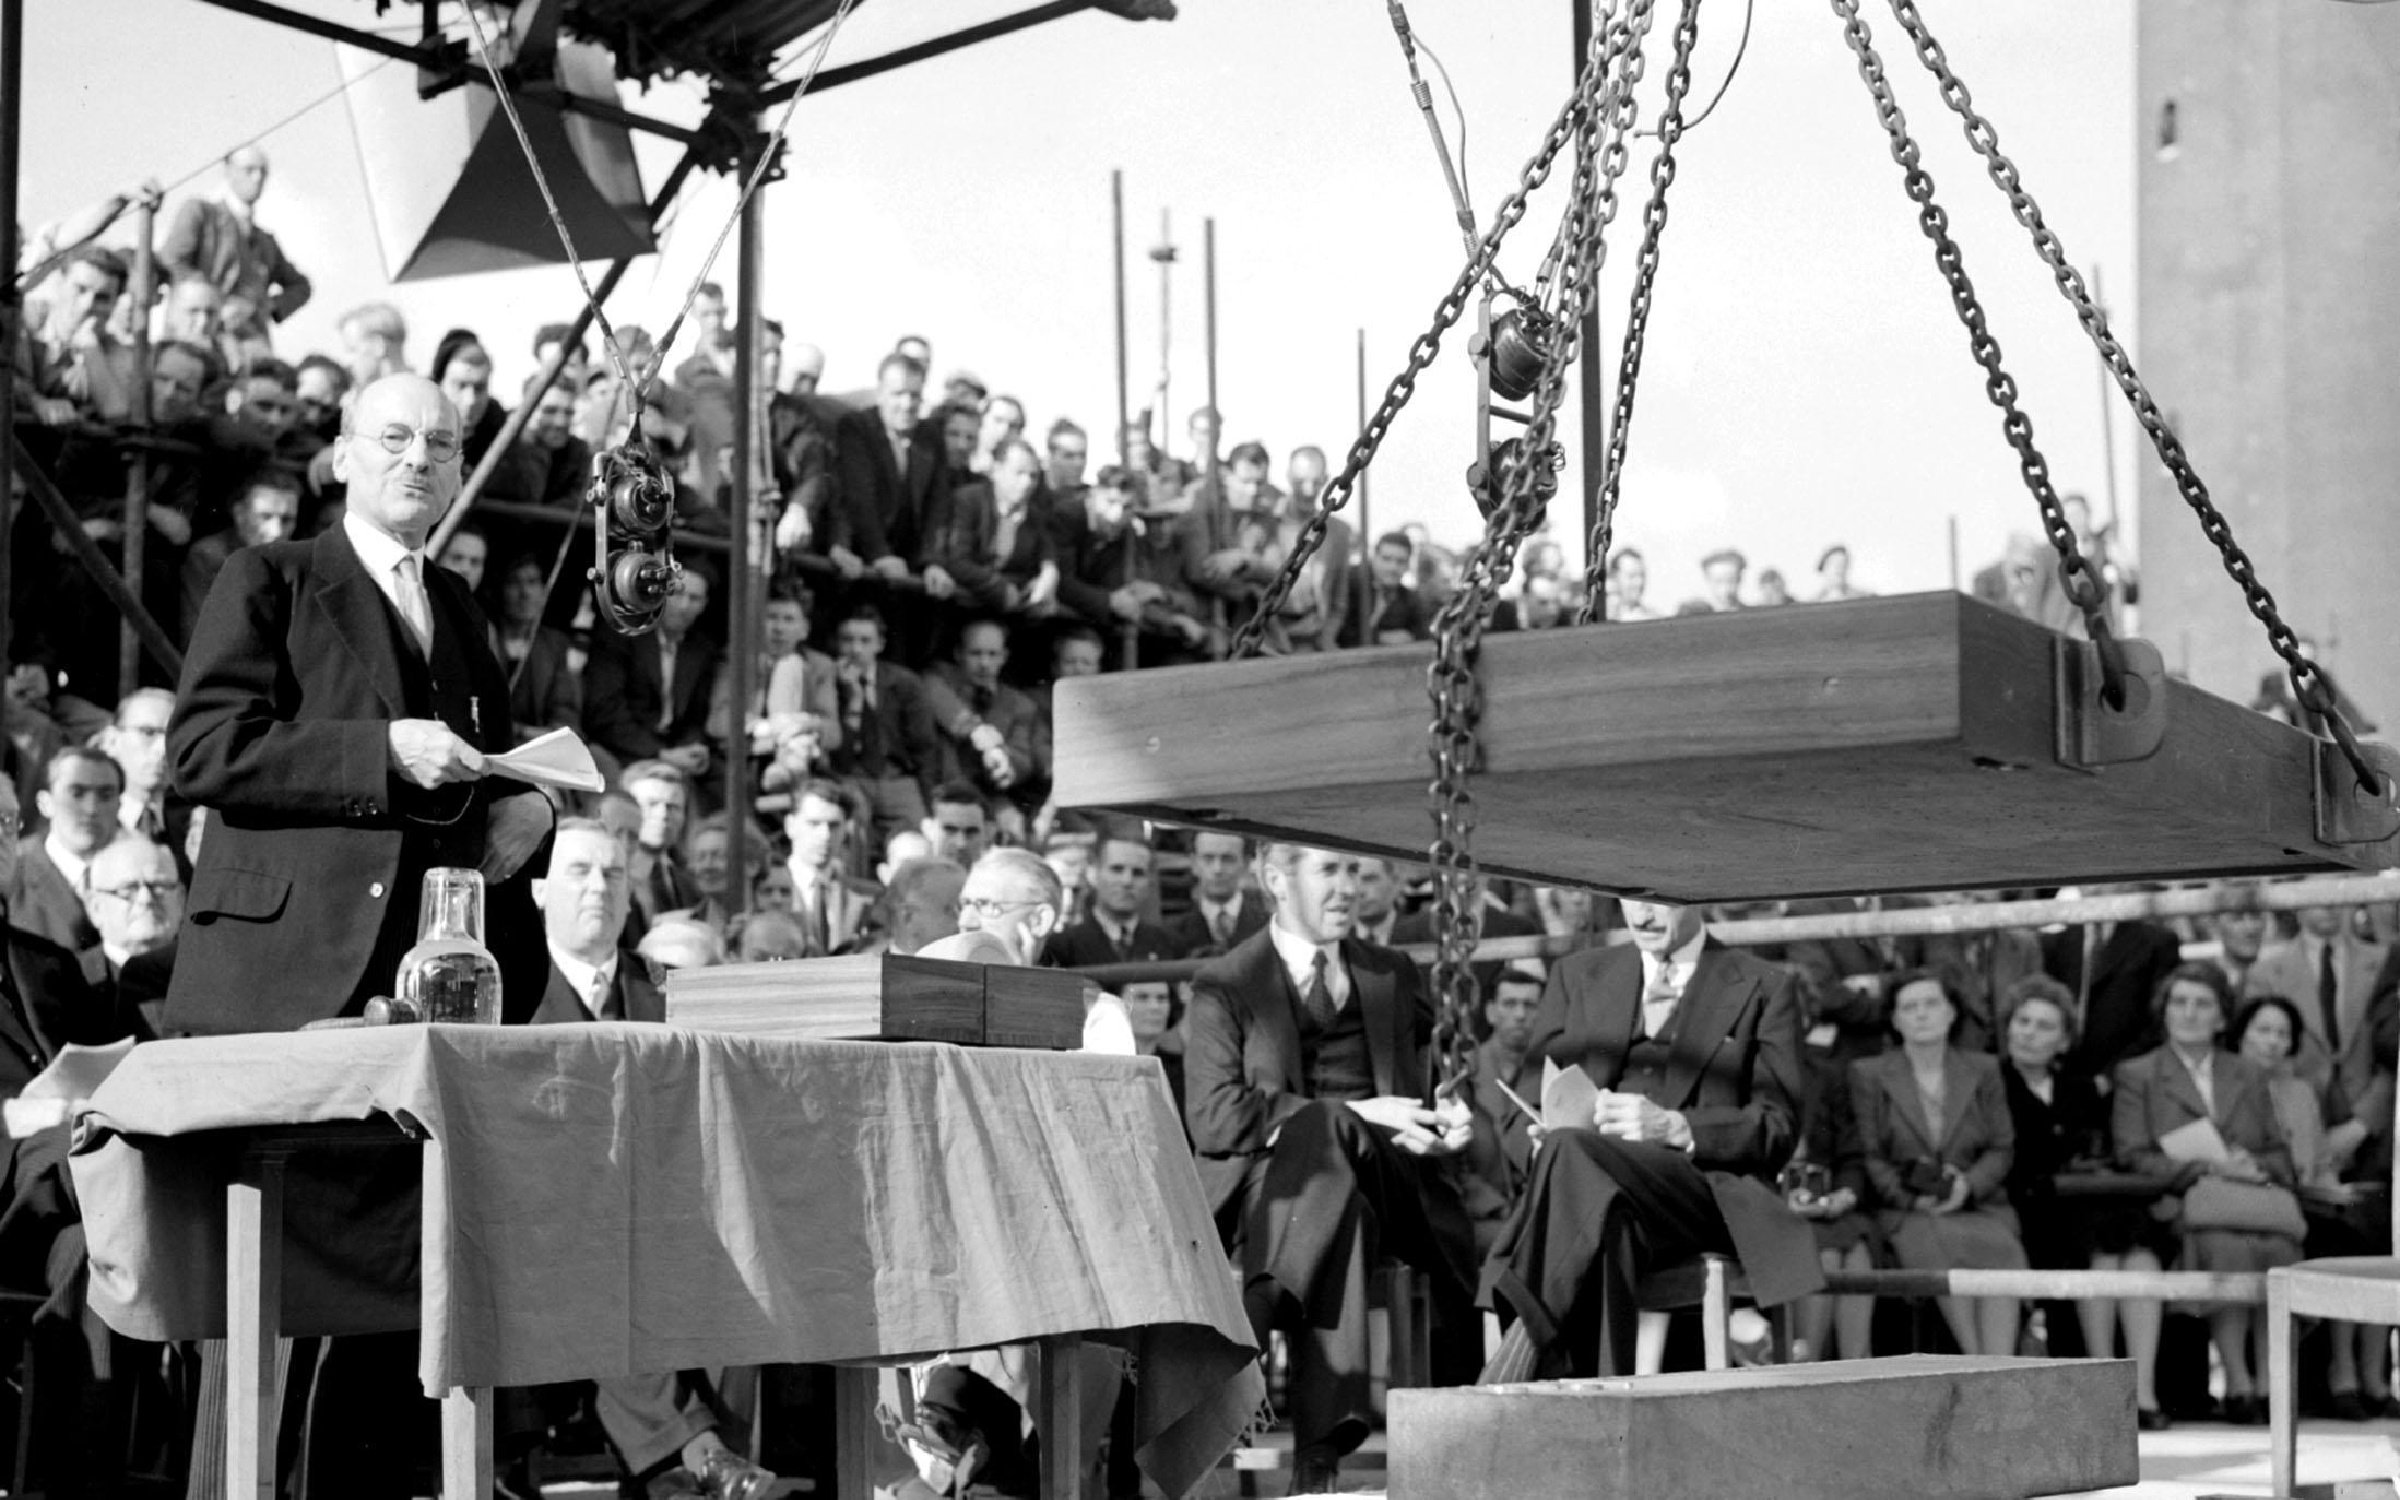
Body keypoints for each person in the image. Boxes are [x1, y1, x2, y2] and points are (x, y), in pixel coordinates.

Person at [165, 371, 553, 1034]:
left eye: (440, 445)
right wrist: (385, 752)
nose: (417, 458)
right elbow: (203, 753)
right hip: (283, 981)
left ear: (459, 472)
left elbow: (486, 765)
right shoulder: (267, 577)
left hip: (427, 999)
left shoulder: (460, 605)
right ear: (343, 456)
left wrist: (534, 806)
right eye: (395, 437)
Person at [1182, 841, 1475, 1493]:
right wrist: (1358, 1113)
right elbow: (1212, 1118)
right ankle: (1318, 1458)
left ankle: (1259, 1315)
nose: (1348, 887)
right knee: (1333, 1155)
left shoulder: (1392, 973)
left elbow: (1439, 1083)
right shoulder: (1225, 984)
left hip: (1393, 1182)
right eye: (1329, 871)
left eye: (1354, 872)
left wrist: (1452, 1115)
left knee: (1333, 1135)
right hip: (1270, 1193)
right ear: (1277, 880)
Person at [1480, 897, 1819, 1381]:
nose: (1641, 916)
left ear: (1699, 893)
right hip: (1594, 1193)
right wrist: (1537, 1141)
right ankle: (1602, 1411)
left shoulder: (1764, 984)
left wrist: (1674, 1127)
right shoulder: (1576, 975)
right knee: (1595, 1202)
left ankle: (1520, 1357)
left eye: (1659, 901)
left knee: (1573, 1155)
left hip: (1699, 1195)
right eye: (1629, 899)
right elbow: (1519, 1112)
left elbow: (1777, 1126)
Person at [2113, 963, 2302, 1426]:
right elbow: (2132, 1156)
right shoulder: (2137, 1073)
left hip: (2254, 1202)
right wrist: (2207, 1166)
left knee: (2278, 1249)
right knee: (2224, 1245)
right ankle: (2239, 1381)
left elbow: (2280, 1153)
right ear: (2164, 1011)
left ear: (2221, 1017)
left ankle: (2267, 1385)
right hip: (2185, 1203)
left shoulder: (2248, 1073)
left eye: (2202, 1004)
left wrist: (2251, 1166)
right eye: (2179, 1002)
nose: (2189, 1013)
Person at [1997, 976, 2168, 1427]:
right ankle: (2106, 1385)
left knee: (2139, 1257)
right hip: (2028, 1209)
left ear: (2064, 1039)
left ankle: (2144, 1392)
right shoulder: (1991, 1082)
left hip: (2086, 1204)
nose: (2030, 1033)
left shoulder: (2081, 1089)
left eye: (2045, 1026)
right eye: (2023, 1021)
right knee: (2103, 1255)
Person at [1848, 971, 2029, 1358]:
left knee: (1998, 1252)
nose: (1921, 1015)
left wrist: (1967, 1186)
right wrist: (1912, 1199)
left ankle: (1998, 1368)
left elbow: (2002, 1147)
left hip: (1979, 1206)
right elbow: (1872, 1156)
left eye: (1931, 1004)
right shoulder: (1869, 1074)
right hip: (1909, 1210)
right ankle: (1978, 1364)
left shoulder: (1984, 1069)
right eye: (1909, 1007)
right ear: (1895, 1020)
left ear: (1951, 1013)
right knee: (1939, 1244)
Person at [2231, 993, 2391, 1420]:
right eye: (2263, 1030)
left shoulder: (2300, 1090)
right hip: (2267, 1202)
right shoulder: (2229, 1085)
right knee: (2341, 1240)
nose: (2272, 1042)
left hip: (2314, 1197)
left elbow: (2318, 1160)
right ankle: (2342, 1372)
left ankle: (2374, 1376)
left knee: (2373, 1235)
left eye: (2283, 1034)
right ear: (2242, 1034)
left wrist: (2332, 1188)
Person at [156, 145, 310, 352]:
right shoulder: (201, 213)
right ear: (229, 172)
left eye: (263, 172)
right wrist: (216, 303)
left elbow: (301, 286)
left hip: (249, 348)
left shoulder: (266, 242)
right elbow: (170, 259)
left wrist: (265, 307)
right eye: (249, 170)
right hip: (196, 340)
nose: (257, 178)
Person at [582, 567, 723, 782]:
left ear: (703, 605)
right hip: (623, 751)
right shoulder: (620, 636)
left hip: (675, 749)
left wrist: (692, 748)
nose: (684, 605)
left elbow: (696, 715)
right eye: (675, 594)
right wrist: (661, 754)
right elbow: (606, 713)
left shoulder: (701, 650)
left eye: (694, 598)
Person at [11, 747, 126, 957]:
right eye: (77, 793)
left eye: (105, 795)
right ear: (45, 803)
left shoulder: (144, 873)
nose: (91, 809)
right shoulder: (10, 874)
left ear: (120, 805)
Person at [1040, 829, 1182, 968]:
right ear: (1093, 873)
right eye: (1117, 870)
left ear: (1150, 882)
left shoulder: (1171, 944)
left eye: (1138, 873)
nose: (1127, 881)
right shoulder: (1059, 947)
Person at [783, 780, 877, 956]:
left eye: (834, 825)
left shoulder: (865, 895)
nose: (825, 835)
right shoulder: (769, 888)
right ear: (790, 825)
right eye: (814, 824)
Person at [81, 836, 182, 977]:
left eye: (158, 886)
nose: (146, 899)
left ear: (181, 899)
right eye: (129, 889)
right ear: (96, 908)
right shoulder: (71, 980)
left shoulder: (213, 973)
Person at [1166, 830, 1267, 956]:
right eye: (1208, 859)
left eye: (1228, 859)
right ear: (1194, 864)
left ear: (1245, 864)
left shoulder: (1269, 929)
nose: (1217, 869)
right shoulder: (1170, 934)